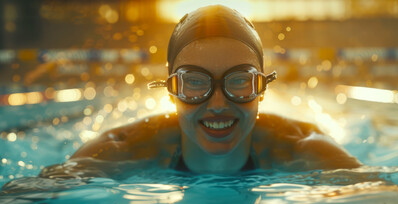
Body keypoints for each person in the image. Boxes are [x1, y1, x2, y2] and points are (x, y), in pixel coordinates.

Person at [39, 5, 361, 178]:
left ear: (261, 88)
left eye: (239, 81)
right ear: (171, 90)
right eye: (195, 82)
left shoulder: (304, 152)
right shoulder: (119, 152)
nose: (218, 104)